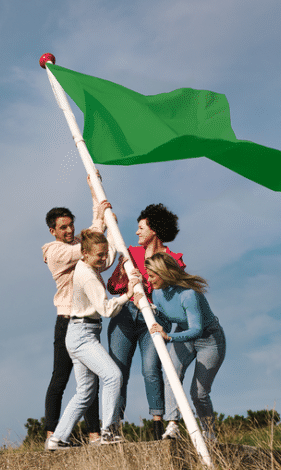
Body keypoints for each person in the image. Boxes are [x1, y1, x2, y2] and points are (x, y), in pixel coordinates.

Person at [47, 229, 143, 450]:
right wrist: (128, 294)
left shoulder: (87, 264)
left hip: (81, 332)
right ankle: (109, 432)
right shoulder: (88, 275)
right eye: (99, 255)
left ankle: (57, 439)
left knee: (86, 391)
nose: (103, 259)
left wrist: (111, 231)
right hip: (83, 335)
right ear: (85, 253)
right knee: (113, 376)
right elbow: (106, 310)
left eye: (104, 254)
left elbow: (105, 257)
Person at [106, 204, 184, 440]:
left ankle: (158, 425)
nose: (137, 232)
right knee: (117, 371)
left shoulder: (174, 260)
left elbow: (173, 296)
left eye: (141, 227)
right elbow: (112, 287)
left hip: (155, 317)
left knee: (151, 369)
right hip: (126, 315)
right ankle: (113, 426)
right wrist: (124, 276)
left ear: (155, 229)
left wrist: (148, 285)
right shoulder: (129, 254)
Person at [41, 188, 108, 443]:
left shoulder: (79, 244)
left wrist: (95, 194)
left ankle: (94, 434)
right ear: (53, 231)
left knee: (90, 379)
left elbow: (94, 234)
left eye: (71, 226)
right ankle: (52, 433)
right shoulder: (55, 251)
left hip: (87, 322)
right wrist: (99, 216)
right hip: (67, 321)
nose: (69, 231)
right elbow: (91, 240)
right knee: (60, 378)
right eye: (63, 227)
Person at [144, 253, 226, 443]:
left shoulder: (188, 294)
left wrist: (169, 336)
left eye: (152, 276)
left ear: (164, 274)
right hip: (183, 334)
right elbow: (165, 316)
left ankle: (209, 434)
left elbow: (196, 329)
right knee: (171, 376)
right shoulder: (156, 293)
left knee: (199, 394)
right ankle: (173, 425)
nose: (149, 280)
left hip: (209, 339)